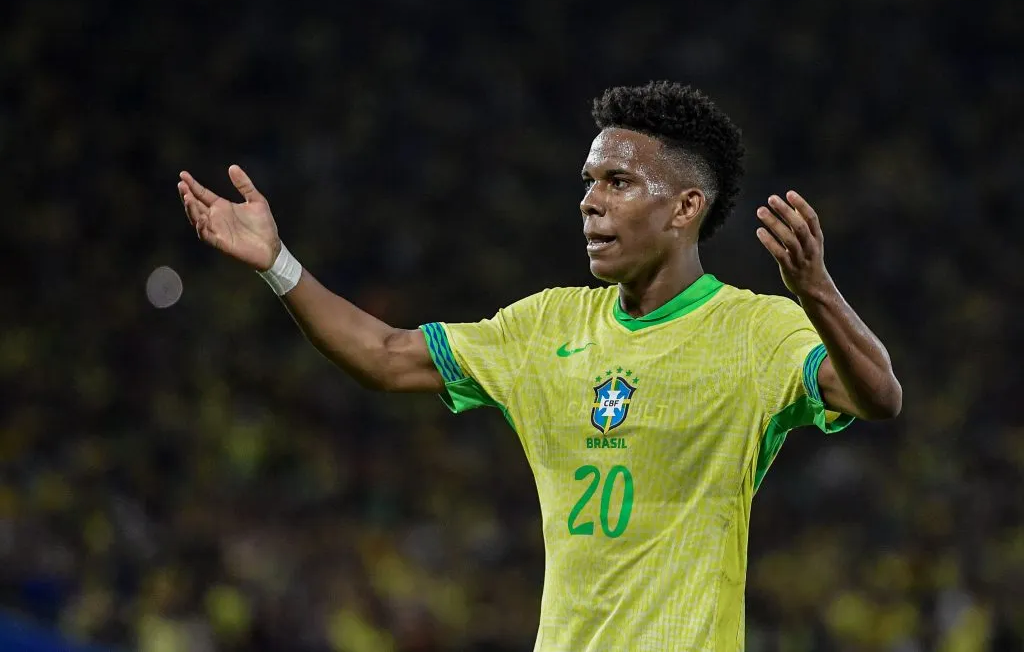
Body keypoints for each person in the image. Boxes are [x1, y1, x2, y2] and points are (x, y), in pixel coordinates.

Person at [177, 81, 901, 651]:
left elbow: (877, 395)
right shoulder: (545, 325)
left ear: (685, 208)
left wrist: (816, 291)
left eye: (618, 182)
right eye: (588, 181)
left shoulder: (754, 330)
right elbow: (385, 356)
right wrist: (277, 263)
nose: (589, 202)